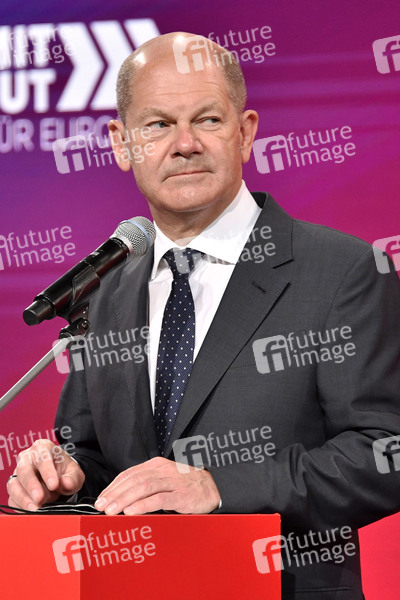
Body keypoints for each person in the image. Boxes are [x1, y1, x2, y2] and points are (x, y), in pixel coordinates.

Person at [7, 32, 400, 598]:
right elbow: (94, 455)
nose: (184, 144)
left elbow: (384, 451)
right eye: (157, 125)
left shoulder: (341, 270)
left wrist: (219, 487)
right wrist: (63, 479)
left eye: (208, 120)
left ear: (245, 133)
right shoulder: (105, 290)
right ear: (121, 144)